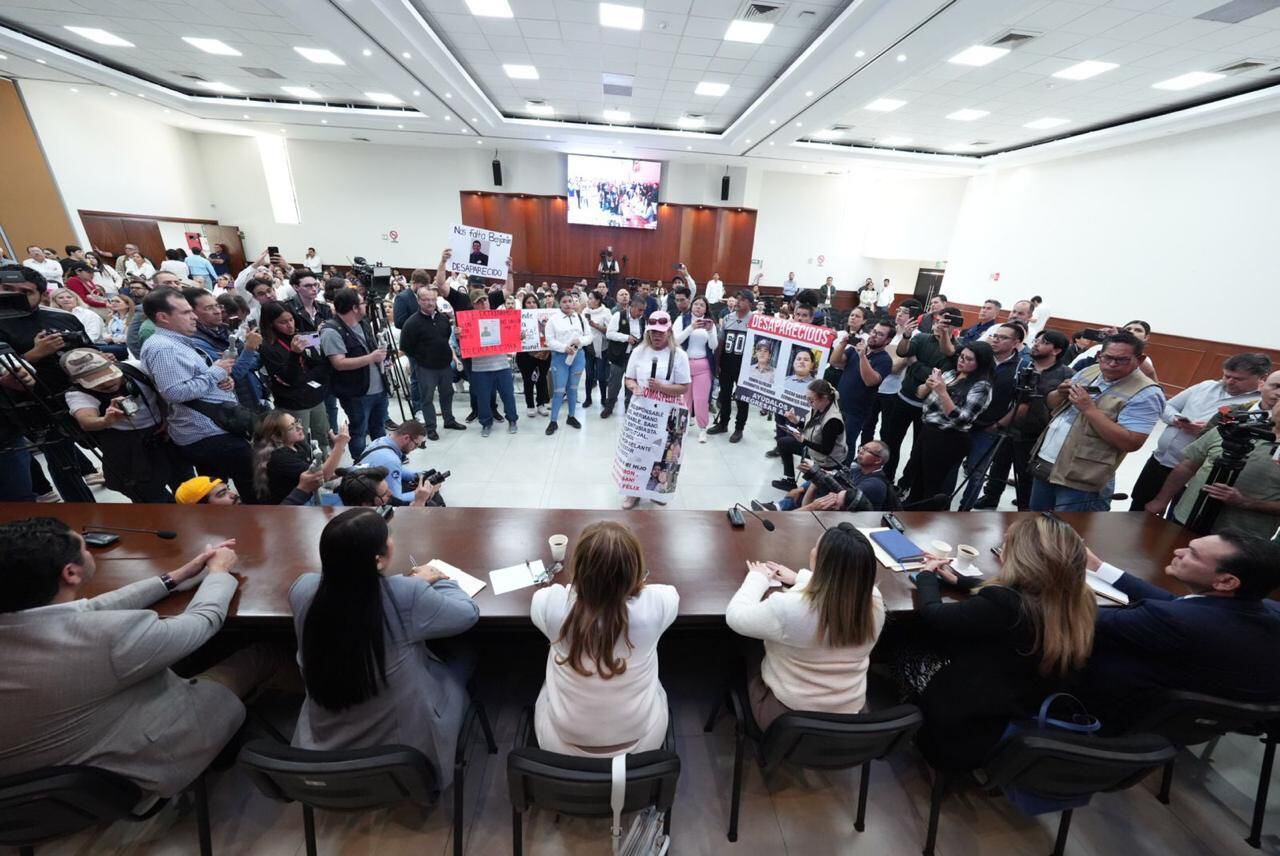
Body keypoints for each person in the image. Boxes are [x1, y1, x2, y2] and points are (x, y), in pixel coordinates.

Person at [0, 518, 280, 797]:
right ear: (71, 573)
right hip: (128, 767)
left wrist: (175, 577)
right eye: (86, 549)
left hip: (24, 783)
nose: (89, 553)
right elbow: (201, 622)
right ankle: (229, 738)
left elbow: (85, 610)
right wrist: (219, 572)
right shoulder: (109, 637)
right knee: (261, 651)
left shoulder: (26, 618)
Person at [290, 508, 480, 787]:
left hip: (323, 751)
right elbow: (468, 614)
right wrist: (439, 580)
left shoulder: (303, 589)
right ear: (378, 560)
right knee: (467, 654)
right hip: (404, 755)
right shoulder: (405, 594)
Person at [909, 514, 1096, 772]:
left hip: (956, 728)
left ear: (1022, 558)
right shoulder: (1077, 604)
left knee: (909, 642)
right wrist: (959, 580)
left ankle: (905, 722)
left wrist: (926, 577)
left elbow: (934, 615)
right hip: (1011, 719)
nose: (1001, 549)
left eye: (1005, 544)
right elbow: (1019, 593)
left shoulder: (1003, 606)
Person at [1079, 530, 1280, 729]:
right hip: (1203, 722)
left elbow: (1076, 618)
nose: (1178, 552)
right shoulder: (1268, 610)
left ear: (1227, 582)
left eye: (1193, 554)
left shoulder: (1172, 620)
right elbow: (1180, 604)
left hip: (1120, 714)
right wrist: (1098, 567)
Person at [530, 521, 677, 755]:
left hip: (561, 750)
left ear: (578, 569)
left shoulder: (550, 604)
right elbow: (670, 593)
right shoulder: (656, 604)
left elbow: (543, 599)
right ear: (635, 571)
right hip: (641, 746)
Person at [726, 523, 884, 728]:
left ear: (820, 562)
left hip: (789, 720)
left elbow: (735, 616)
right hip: (850, 717)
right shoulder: (874, 602)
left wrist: (757, 578)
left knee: (747, 643)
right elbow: (842, 584)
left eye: (816, 548)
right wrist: (800, 578)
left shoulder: (791, 608)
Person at [140, 287, 260, 502]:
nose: (194, 316)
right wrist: (216, 372)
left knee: (215, 492)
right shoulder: (163, 347)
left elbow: (193, 381)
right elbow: (175, 392)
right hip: (207, 431)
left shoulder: (177, 343)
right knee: (253, 486)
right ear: (163, 317)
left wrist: (221, 378)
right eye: (186, 312)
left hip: (212, 428)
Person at [1029, 331, 1165, 512]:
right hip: (1048, 461)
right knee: (1036, 524)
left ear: (1139, 360)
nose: (1112, 364)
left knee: (1068, 533)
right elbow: (1051, 404)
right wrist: (1059, 392)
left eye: (1121, 360)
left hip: (1082, 474)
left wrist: (1089, 409)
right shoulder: (1090, 371)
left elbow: (1131, 442)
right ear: (1099, 355)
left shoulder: (1147, 393)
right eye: (1107, 357)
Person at [1128, 354, 1271, 510]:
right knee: (1140, 505)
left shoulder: (1257, 405)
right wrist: (1176, 419)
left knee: (1178, 517)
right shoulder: (1206, 386)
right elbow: (1167, 406)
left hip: (1198, 471)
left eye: (1238, 379)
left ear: (1261, 378)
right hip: (1161, 460)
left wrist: (1206, 432)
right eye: (1226, 375)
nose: (1229, 381)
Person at [62, 348, 189, 503]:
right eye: (96, 381)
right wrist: (106, 420)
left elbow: (167, 390)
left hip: (164, 433)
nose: (107, 383)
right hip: (129, 447)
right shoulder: (77, 394)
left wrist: (167, 417)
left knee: (187, 485)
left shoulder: (136, 368)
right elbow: (86, 421)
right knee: (150, 497)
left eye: (108, 375)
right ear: (76, 381)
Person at [1143, 398, 1280, 537]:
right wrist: (1161, 500)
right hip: (1187, 518)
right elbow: (1188, 466)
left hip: (1241, 537)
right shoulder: (1234, 430)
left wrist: (1245, 502)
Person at [973, 330, 1073, 510]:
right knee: (998, 466)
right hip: (1008, 426)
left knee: (1026, 474)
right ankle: (991, 496)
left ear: (1056, 350)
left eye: (1043, 342)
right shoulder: (1023, 365)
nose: (1036, 344)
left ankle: (1025, 506)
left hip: (1037, 434)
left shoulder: (1065, 374)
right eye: (1036, 340)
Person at [907, 342, 995, 509]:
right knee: (917, 475)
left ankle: (927, 517)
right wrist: (928, 384)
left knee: (933, 484)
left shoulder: (981, 386)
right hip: (928, 430)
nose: (962, 361)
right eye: (961, 356)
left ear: (980, 363)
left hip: (949, 438)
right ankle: (912, 509)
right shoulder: (950, 374)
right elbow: (919, 394)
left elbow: (962, 419)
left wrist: (942, 392)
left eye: (969, 359)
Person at [884, 307, 961, 489]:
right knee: (891, 441)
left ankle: (905, 484)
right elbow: (904, 353)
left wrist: (916, 364)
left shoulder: (956, 350)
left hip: (928, 409)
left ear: (954, 327)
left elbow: (937, 376)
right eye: (937, 321)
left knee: (917, 450)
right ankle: (886, 477)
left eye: (944, 324)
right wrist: (906, 336)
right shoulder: (921, 338)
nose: (938, 326)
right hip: (903, 398)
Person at [621, 312, 691, 509]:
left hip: (669, 412)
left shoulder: (679, 355)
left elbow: (684, 386)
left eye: (661, 332)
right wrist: (634, 386)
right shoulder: (639, 351)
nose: (656, 336)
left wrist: (661, 388)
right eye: (652, 332)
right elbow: (629, 378)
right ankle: (632, 491)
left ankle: (658, 491)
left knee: (665, 453)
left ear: (669, 332)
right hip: (642, 411)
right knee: (637, 450)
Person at [958, 323, 1027, 509]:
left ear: (1016, 343)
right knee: (949, 467)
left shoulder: (1022, 368)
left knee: (976, 473)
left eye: (1003, 337)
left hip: (987, 429)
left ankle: (964, 510)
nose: (996, 339)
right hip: (960, 422)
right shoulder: (981, 359)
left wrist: (998, 426)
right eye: (995, 335)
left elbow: (1022, 405)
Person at [321, 288, 390, 459]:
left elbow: (371, 350)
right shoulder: (331, 331)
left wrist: (382, 359)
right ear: (354, 307)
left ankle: (381, 460)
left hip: (378, 387)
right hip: (356, 392)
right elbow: (339, 364)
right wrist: (372, 357)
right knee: (359, 430)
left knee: (379, 428)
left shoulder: (363, 323)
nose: (366, 306)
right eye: (363, 303)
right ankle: (361, 465)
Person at [259, 301, 332, 455]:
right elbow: (290, 378)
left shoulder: (300, 335)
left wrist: (306, 377)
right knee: (300, 442)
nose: (290, 325)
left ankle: (327, 466)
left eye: (291, 320)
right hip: (293, 403)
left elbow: (320, 365)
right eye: (283, 322)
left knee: (323, 436)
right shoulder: (267, 346)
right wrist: (294, 354)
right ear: (271, 324)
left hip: (314, 395)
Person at [400, 284, 464, 440]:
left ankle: (449, 420)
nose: (430, 303)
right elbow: (405, 347)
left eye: (433, 299)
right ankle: (430, 427)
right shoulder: (411, 323)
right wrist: (419, 360)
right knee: (427, 398)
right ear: (419, 301)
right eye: (425, 300)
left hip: (444, 366)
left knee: (447, 394)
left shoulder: (443, 319)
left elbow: (446, 337)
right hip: (425, 368)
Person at [186, 287, 266, 411]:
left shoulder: (224, 331)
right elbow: (233, 374)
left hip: (251, 393)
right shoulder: (198, 343)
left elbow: (258, 360)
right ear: (191, 313)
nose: (217, 311)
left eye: (217, 306)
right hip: (232, 404)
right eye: (209, 308)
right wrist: (249, 349)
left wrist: (241, 357)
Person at [771, 379, 847, 504]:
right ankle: (790, 480)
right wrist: (796, 422)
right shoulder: (819, 407)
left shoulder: (833, 420)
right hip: (812, 449)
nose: (808, 402)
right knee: (784, 443)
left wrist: (803, 441)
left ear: (824, 398)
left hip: (827, 461)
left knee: (805, 498)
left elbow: (826, 450)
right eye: (806, 399)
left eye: (811, 400)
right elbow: (811, 426)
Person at [252, 410, 350, 505]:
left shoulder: (298, 444)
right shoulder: (279, 457)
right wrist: (339, 445)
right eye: (292, 427)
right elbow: (322, 476)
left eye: (297, 422)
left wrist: (349, 471)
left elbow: (319, 471)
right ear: (276, 437)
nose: (300, 427)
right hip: (288, 510)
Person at [831, 319, 894, 460]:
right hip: (838, 404)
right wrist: (843, 344)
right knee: (831, 439)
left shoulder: (885, 360)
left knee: (846, 444)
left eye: (880, 334)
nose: (874, 335)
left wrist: (862, 357)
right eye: (874, 331)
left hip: (856, 411)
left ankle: (843, 475)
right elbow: (835, 361)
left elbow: (870, 381)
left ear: (888, 340)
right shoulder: (856, 349)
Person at [354, 419, 439, 505]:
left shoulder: (381, 441)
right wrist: (422, 493)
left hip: (362, 488)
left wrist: (418, 475)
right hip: (369, 502)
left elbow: (397, 468)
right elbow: (395, 499)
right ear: (406, 438)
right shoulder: (391, 460)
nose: (415, 448)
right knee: (431, 502)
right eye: (416, 445)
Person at [708, 290, 754, 442]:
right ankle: (723, 423)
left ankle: (739, 428)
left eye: (742, 299)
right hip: (727, 361)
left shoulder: (756, 320)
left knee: (742, 398)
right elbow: (721, 341)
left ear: (749, 302)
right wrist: (717, 362)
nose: (738, 302)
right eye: (737, 299)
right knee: (724, 395)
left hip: (744, 364)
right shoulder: (728, 317)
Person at [470, 291, 519, 437]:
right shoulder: (468, 320)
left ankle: (512, 420)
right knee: (483, 398)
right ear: (473, 305)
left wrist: (518, 336)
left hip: (501, 364)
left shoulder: (501, 317)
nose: (483, 303)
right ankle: (486, 423)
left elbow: (511, 336)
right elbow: (463, 342)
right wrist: (460, 334)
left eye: (485, 300)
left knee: (508, 395)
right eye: (479, 301)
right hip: (480, 367)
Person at [543, 291, 591, 436]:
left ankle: (571, 416)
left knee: (573, 388)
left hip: (578, 357)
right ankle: (553, 421)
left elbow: (589, 336)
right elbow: (549, 340)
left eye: (570, 301)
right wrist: (564, 348)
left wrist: (580, 341)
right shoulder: (553, 320)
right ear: (559, 303)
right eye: (564, 301)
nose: (568, 304)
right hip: (560, 358)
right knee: (559, 390)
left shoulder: (581, 318)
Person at [674, 295, 719, 442]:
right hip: (684, 364)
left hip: (703, 365)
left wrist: (711, 330)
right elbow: (675, 340)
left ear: (706, 309)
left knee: (701, 399)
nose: (698, 307)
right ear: (691, 305)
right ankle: (683, 427)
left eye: (702, 305)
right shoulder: (682, 319)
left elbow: (713, 346)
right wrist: (691, 327)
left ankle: (702, 429)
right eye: (696, 304)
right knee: (684, 399)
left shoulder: (710, 324)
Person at [602, 291, 646, 418]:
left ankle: (629, 408)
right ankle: (609, 407)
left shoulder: (643, 320)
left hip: (634, 358)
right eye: (639, 310)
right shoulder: (618, 316)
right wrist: (626, 338)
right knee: (614, 383)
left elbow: (645, 337)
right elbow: (609, 334)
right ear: (632, 307)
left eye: (643, 310)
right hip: (618, 356)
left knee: (631, 384)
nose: (641, 313)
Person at [516, 292, 551, 417]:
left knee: (542, 379)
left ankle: (541, 404)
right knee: (528, 380)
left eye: (533, 302)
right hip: (526, 354)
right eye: (528, 302)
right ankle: (530, 405)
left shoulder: (545, 316)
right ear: (524, 304)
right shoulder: (518, 317)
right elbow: (512, 336)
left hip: (544, 353)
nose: (531, 305)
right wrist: (518, 336)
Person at [582, 290, 612, 409]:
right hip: (588, 347)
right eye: (588, 298)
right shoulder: (585, 311)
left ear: (598, 300)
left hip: (601, 348)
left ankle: (603, 399)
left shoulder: (606, 312)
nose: (588, 301)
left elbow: (610, 330)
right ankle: (588, 398)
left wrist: (595, 326)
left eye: (591, 298)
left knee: (601, 376)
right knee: (589, 375)